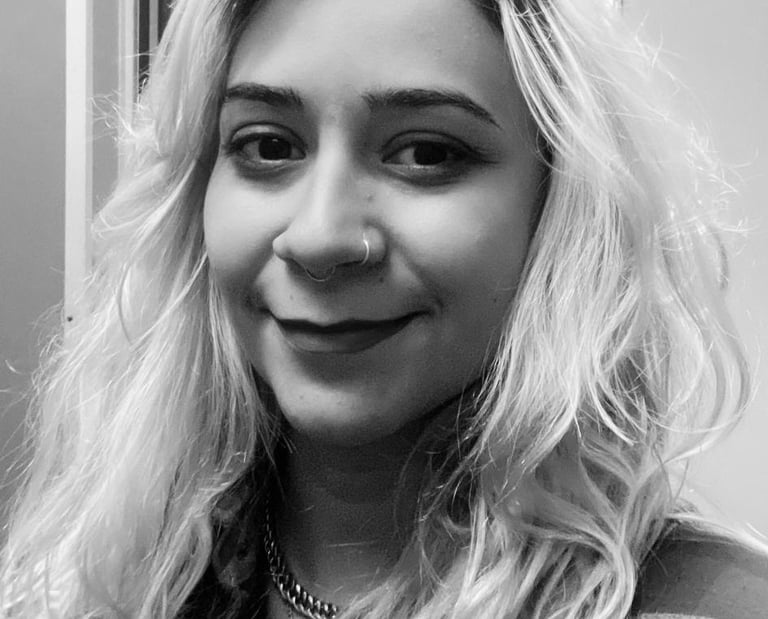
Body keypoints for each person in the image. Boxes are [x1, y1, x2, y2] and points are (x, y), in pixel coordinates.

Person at [2, 0, 767, 617]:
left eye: (426, 153)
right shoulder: (101, 576)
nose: (320, 237)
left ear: (556, 205)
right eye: (268, 146)